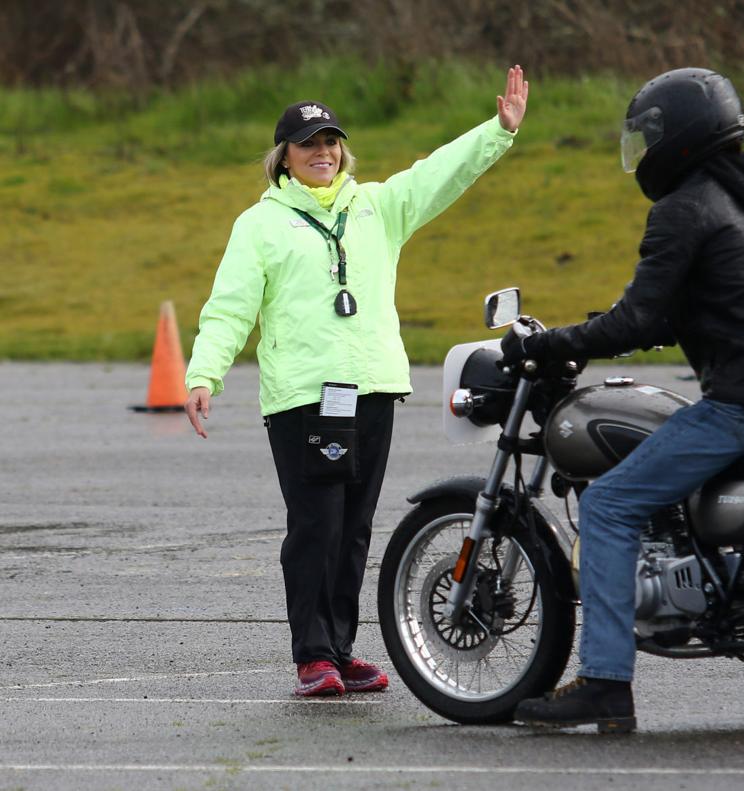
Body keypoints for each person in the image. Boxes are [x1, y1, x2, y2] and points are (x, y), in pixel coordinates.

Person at [505, 68, 744, 732]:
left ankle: (604, 681)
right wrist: (606, 327)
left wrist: (555, 342)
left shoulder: (683, 207)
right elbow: (675, 313)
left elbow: (635, 321)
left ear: (679, 135)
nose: (643, 151)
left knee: (607, 503)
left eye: (649, 135)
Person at [184, 66, 530, 697]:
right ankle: (312, 654)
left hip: (371, 390)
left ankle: (341, 651)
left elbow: (436, 174)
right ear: (283, 158)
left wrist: (496, 133)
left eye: (331, 142)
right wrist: (206, 371)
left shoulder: (375, 207)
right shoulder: (259, 225)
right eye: (308, 144)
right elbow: (230, 307)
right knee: (316, 523)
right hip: (304, 399)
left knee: (356, 526)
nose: (323, 153)